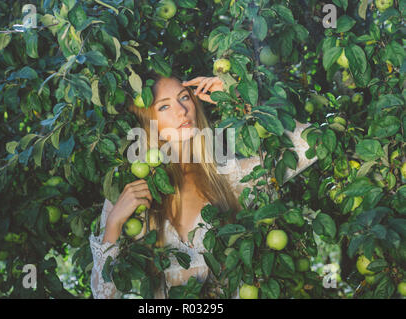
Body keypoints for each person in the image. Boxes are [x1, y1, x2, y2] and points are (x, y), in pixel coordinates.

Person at [89, 74, 317, 299]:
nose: (181, 110)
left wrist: (239, 100)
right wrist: (113, 225)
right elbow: (104, 296)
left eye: (184, 98)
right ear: (148, 121)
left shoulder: (230, 178)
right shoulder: (132, 195)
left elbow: (312, 143)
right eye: (164, 106)